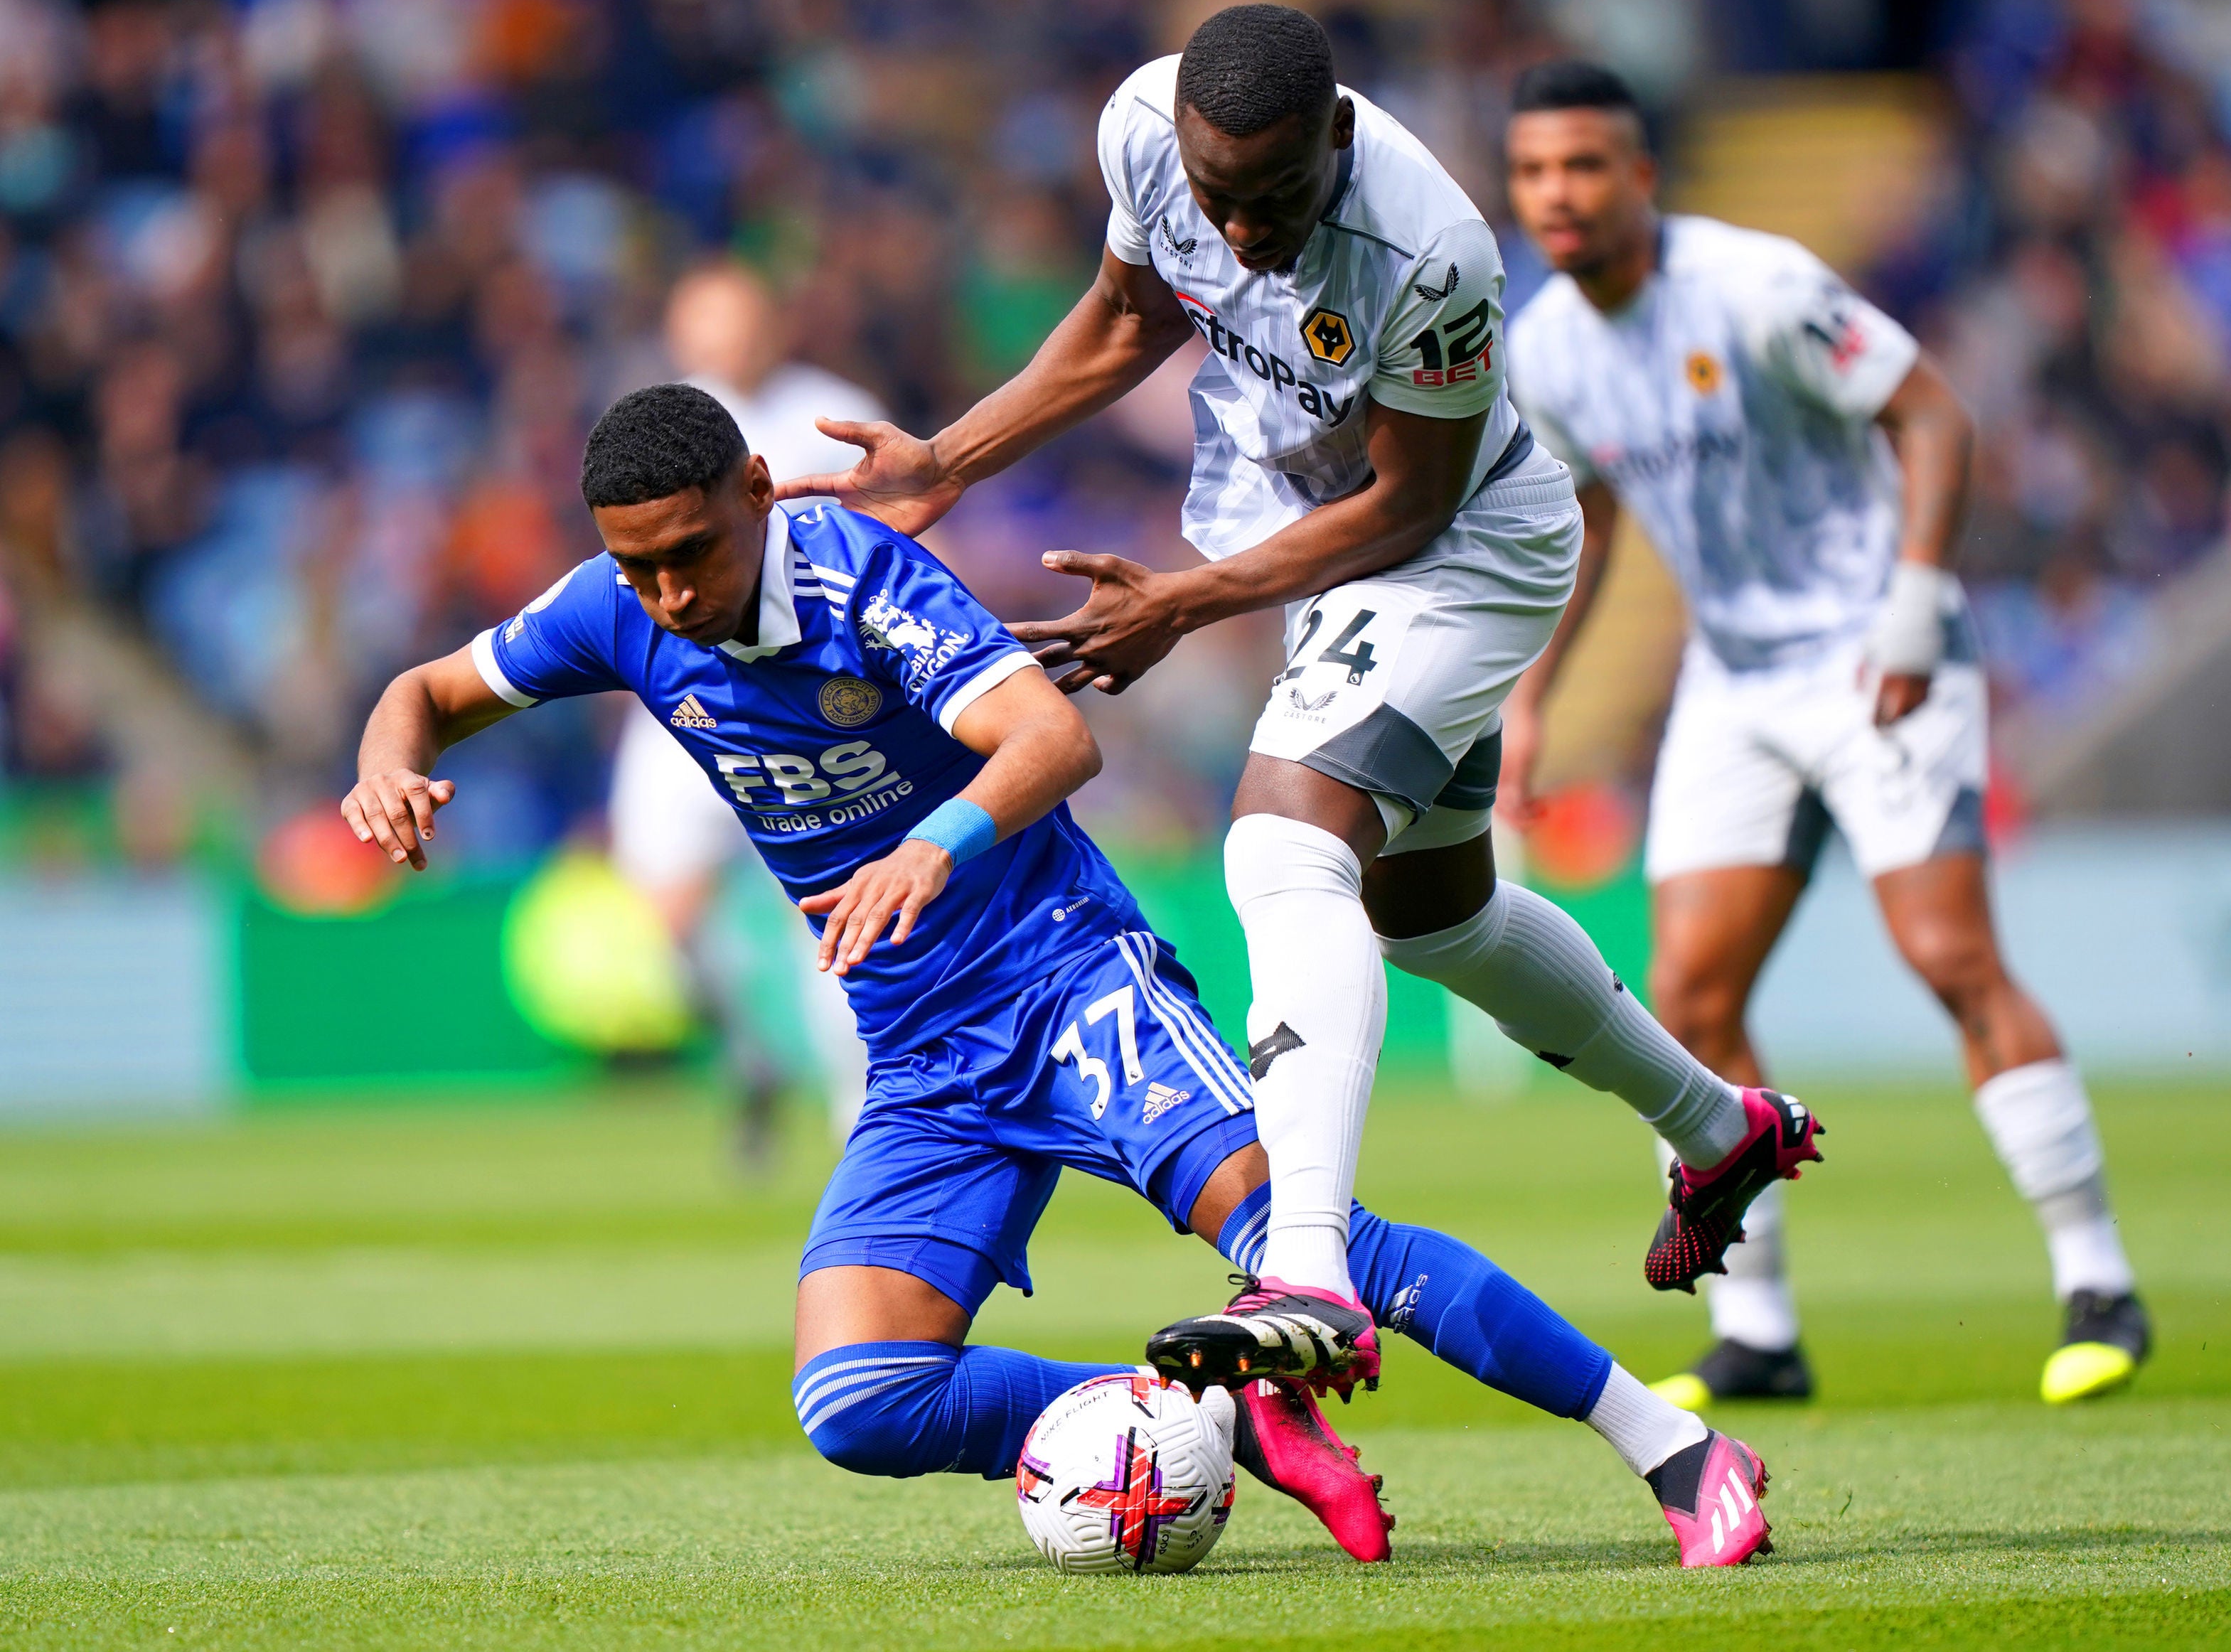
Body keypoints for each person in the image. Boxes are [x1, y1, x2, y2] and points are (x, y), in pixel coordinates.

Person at [340, 382, 1780, 1567]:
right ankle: (1197, 1415)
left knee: (1299, 1244)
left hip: (1067, 984)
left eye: (690, 555)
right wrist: (386, 763)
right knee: (854, 1395)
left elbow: (1049, 738)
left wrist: (931, 850)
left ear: (762, 491)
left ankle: (1678, 1449)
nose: (666, 593)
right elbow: (431, 691)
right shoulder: (612, 608)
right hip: (923, 1057)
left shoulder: (864, 582)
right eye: (638, 564)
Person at [776, 4, 1822, 1394]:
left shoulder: (1432, 249)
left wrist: (1185, 600)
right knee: (1433, 917)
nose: (1248, 234)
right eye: (1222, 202)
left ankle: (1309, 1269)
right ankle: (1719, 1127)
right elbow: (1124, 319)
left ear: (1334, 137)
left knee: (1280, 840)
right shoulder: (1149, 127)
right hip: (1316, 541)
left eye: (1274, 201)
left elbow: (1415, 500)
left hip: (1463, 556)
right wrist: (948, 458)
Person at [1501, 60, 2149, 1410]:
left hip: (1876, 655)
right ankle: (1759, 1333)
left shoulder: (1755, 286)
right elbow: (1596, 521)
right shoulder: (1549, 344)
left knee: (1950, 954)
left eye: (1583, 167)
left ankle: (2099, 1283)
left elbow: (1931, 416)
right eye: (1534, 173)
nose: (1557, 195)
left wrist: (1917, 602)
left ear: (1641, 176)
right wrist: (1532, 691)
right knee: (1687, 1000)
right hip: (1735, 684)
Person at [606, 263, 891, 1159]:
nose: (721, 341)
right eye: (702, 324)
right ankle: (751, 1058)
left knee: (824, 913)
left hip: (813, 702)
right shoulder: (661, 420)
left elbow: (898, 531)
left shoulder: (831, 410)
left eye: (735, 320)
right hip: (686, 695)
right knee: (666, 911)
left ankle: (863, 1118)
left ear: (771, 323)